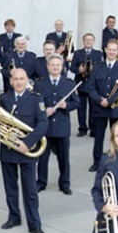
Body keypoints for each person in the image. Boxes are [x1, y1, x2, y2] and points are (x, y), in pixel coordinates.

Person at [0, 68, 48, 233]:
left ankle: (34, 224)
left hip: (28, 151)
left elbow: (42, 124)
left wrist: (27, 142)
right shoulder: (4, 98)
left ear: (27, 80)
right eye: (15, 79)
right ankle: (14, 217)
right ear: (10, 81)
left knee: (30, 190)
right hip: (8, 150)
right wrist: (5, 134)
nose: (19, 82)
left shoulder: (36, 99)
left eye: (22, 79)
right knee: (10, 188)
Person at [34, 54, 78, 194]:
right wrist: (44, 110)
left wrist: (66, 105)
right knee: (42, 158)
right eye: (52, 65)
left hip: (62, 127)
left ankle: (64, 183)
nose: (55, 67)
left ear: (62, 67)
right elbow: (35, 103)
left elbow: (77, 102)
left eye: (58, 65)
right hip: (45, 128)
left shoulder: (69, 84)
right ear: (47, 67)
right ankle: (41, 182)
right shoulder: (39, 83)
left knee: (64, 158)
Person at [87, 39, 118, 172]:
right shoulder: (97, 67)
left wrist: (109, 101)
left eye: (114, 50)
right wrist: (100, 100)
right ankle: (97, 162)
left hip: (115, 108)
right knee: (98, 136)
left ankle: (116, 160)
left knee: (117, 136)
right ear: (105, 50)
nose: (111, 52)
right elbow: (91, 87)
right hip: (99, 107)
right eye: (109, 49)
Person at [71, 33, 103, 137]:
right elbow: (72, 68)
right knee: (81, 108)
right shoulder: (77, 53)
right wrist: (78, 70)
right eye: (86, 40)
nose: (88, 41)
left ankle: (93, 129)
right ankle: (82, 129)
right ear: (83, 41)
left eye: (90, 40)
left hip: (93, 85)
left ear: (93, 42)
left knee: (94, 108)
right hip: (81, 84)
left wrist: (95, 70)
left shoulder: (98, 54)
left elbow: (101, 69)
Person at [0, 19, 23, 93]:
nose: (9, 28)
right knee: (6, 83)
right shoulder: (1, 37)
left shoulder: (18, 36)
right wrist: (5, 55)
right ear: (5, 27)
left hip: (16, 61)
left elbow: (21, 47)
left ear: (14, 27)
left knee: (17, 80)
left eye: (11, 26)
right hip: (5, 61)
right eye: (8, 26)